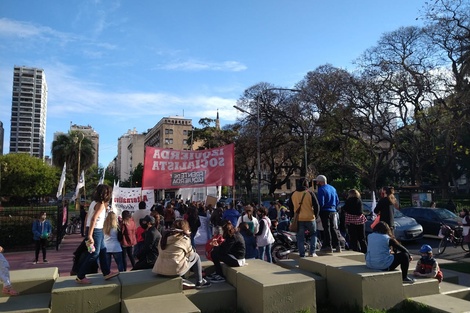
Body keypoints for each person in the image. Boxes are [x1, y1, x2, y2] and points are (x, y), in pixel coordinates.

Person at [76, 184, 120, 284]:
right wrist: (90, 235)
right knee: (94, 253)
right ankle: (80, 275)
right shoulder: (100, 204)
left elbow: (88, 216)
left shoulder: (94, 203)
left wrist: (86, 230)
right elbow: (93, 219)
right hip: (95, 231)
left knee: (103, 250)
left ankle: (106, 272)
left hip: (95, 230)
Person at [153, 219, 211, 289]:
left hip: (159, 269)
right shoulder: (184, 239)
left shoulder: (164, 238)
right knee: (196, 256)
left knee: (178, 257)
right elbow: (190, 254)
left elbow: (159, 250)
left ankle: (183, 278)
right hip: (175, 270)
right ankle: (200, 281)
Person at [289, 177, 320, 257]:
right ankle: (312, 252)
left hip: (299, 218)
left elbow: (291, 207)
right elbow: (316, 205)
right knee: (313, 234)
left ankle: (302, 254)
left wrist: (292, 217)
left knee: (300, 237)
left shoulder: (293, 194)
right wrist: (315, 215)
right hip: (310, 217)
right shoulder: (309, 192)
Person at [314, 175, 341, 253]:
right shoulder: (333, 188)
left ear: (320, 182)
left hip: (325, 211)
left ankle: (328, 246)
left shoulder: (321, 189)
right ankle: (337, 244)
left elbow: (321, 202)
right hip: (333, 210)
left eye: (317, 182)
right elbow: (337, 200)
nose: (316, 183)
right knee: (333, 228)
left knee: (326, 228)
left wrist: (318, 211)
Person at [343, 189, 367, 254]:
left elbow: (345, 208)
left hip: (351, 220)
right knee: (362, 237)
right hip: (360, 220)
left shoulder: (348, 201)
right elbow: (360, 211)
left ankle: (356, 250)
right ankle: (365, 250)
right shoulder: (359, 201)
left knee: (353, 237)